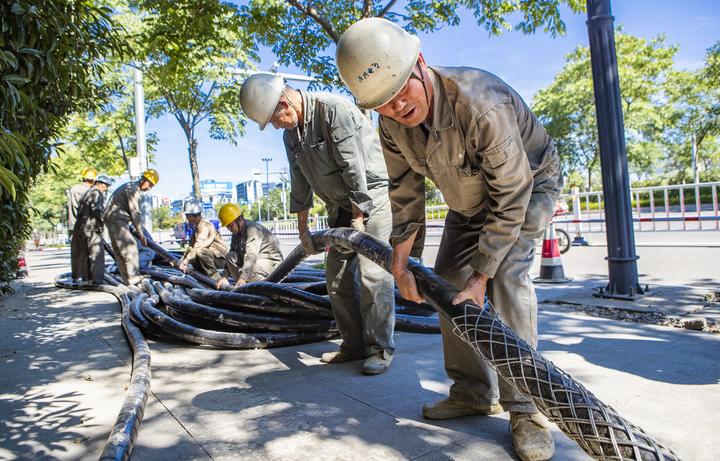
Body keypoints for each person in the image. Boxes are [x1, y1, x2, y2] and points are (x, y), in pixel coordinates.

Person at [336, 18, 562, 460]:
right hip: (468, 203)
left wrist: (482, 276)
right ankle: (473, 391)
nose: (398, 106)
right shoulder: (391, 126)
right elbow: (405, 195)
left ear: (420, 63)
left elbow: (511, 196)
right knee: (446, 283)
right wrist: (401, 263)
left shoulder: (481, 104)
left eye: (403, 89)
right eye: (383, 102)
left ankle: (527, 408)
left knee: (505, 279)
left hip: (528, 188)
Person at [239, 74, 396, 375]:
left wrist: (359, 219)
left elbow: (353, 167)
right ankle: (353, 345)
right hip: (339, 205)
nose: (274, 126)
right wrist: (303, 231)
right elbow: (299, 183)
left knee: (371, 274)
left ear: (284, 103)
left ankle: (380, 349)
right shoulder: (291, 135)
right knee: (335, 277)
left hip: (369, 198)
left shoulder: (331, 110)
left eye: (273, 119)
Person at [104, 169, 159, 285]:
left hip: (113, 219)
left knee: (119, 251)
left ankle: (126, 279)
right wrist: (140, 233)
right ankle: (133, 277)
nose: (149, 188)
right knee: (130, 248)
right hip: (117, 219)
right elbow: (135, 213)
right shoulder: (133, 189)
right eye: (150, 185)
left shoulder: (130, 186)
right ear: (145, 180)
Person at [215, 203, 283, 289]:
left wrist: (243, 278)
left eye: (230, 225)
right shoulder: (236, 233)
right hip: (257, 261)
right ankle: (243, 286)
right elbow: (231, 254)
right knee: (230, 257)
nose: (229, 229)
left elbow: (251, 256)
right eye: (227, 227)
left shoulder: (252, 230)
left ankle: (263, 287)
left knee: (249, 269)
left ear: (239, 220)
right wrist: (224, 277)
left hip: (272, 262)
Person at [71, 174, 113, 284]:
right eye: (105, 185)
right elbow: (97, 210)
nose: (106, 188)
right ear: (99, 183)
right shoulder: (97, 193)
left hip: (81, 228)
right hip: (92, 228)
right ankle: (97, 281)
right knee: (97, 255)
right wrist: (102, 224)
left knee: (84, 255)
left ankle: (86, 280)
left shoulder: (86, 193)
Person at [176, 199, 228, 281]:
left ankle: (217, 279)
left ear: (190, 216)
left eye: (186, 216)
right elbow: (190, 247)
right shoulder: (197, 227)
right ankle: (202, 276)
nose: (186, 218)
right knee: (191, 250)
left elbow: (198, 246)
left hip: (220, 260)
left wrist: (185, 262)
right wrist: (181, 260)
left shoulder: (205, 226)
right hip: (211, 258)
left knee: (200, 251)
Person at [66, 166, 97, 239]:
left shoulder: (74, 189)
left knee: (77, 249)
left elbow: (72, 207)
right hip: (89, 228)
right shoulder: (93, 191)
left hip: (74, 226)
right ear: (94, 180)